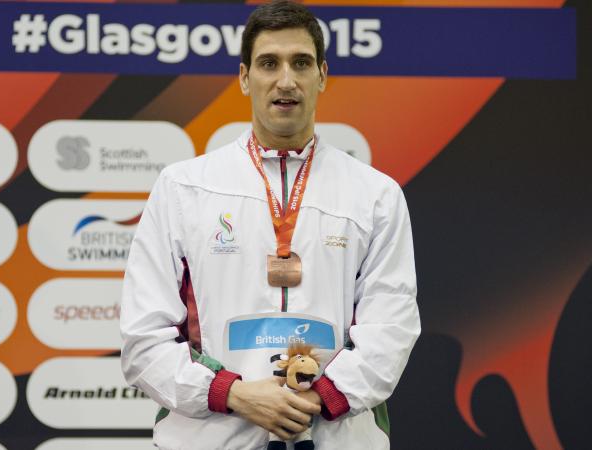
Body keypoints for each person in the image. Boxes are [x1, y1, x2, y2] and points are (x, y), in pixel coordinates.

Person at [120, 1, 420, 448]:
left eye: (300, 63)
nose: (285, 80)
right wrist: (234, 395)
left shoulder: (375, 195)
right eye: (268, 63)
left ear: (322, 75)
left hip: (333, 437)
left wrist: (318, 398)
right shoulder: (183, 188)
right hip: (213, 438)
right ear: (244, 77)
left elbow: (389, 332)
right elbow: (144, 341)